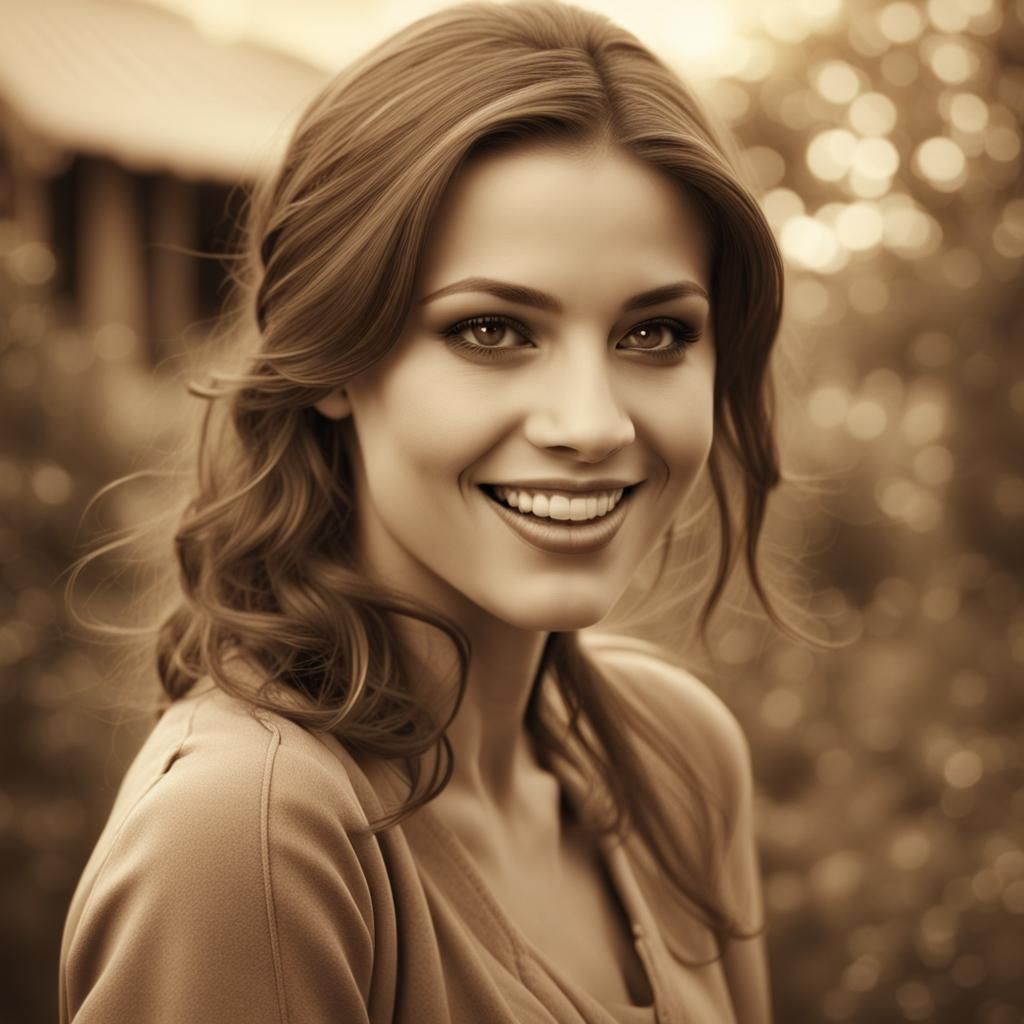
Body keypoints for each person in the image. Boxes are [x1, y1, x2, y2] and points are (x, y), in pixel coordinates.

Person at [59, 1, 800, 1021]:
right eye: (492, 329)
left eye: (656, 333)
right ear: (328, 355)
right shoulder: (248, 841)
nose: (590, 423)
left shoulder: (679, 758)